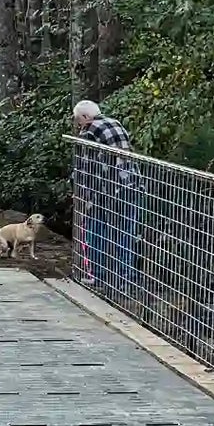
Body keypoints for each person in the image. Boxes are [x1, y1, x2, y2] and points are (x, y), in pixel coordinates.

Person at [72, 99, 140, 297]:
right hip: (131, 185)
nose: (79, 126)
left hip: (107, 190)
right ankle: (125, 279)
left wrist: (81, 192)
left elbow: (85, 168)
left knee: (95, 229)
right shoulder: (116, 123)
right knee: (126, 232)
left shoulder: (89, 132)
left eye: (79, 121)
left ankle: (98, 275)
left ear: (85, 117)